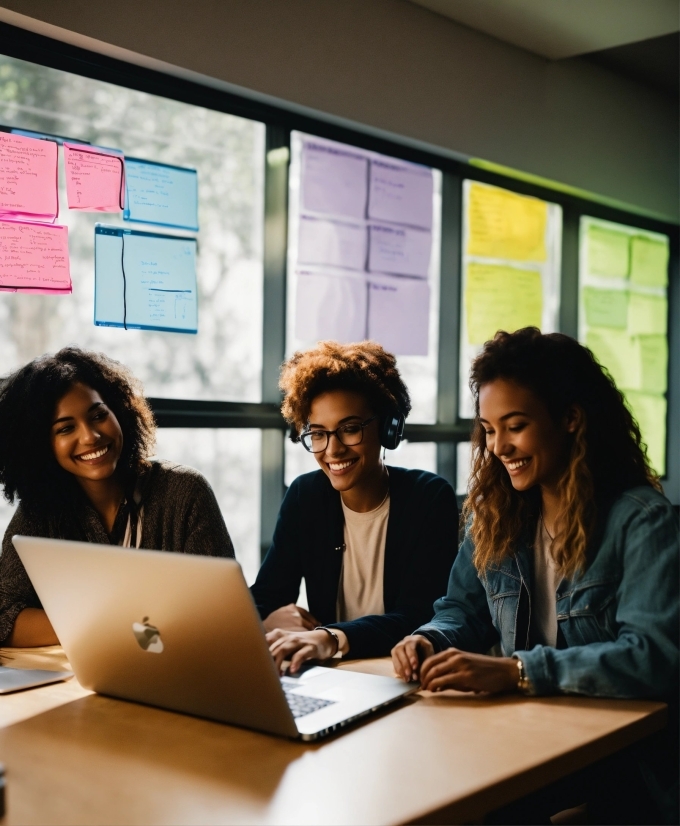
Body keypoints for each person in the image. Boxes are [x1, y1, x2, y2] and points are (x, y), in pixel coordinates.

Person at [391, 327, 679, 824]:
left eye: (516, 425)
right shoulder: (495, 517)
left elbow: (652, 659)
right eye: (488, 428)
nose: (499, 446)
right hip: (522, 738)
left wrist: (517, 671)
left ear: (570, 419)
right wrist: (429, 640)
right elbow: (461, 610)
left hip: (620, 764)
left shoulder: (642, 520)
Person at [0, 347, 235, 647]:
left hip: (182, 676)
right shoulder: (39, 514)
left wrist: (93, 625)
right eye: (66, 428)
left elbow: (223, 615)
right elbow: (5, 615)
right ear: (41, 445)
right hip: (83, 681)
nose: (90, 436)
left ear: (119, 411)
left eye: (98, 415)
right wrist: (116, 627)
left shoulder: (185, 493)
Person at [250, 340, 458, 673]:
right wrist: (262, 619)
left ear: (388, 429)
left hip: (403, 674)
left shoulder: (429, 498)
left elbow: (422, 615)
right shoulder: (306, 496)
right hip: (332, 674)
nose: (332, 450)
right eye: (318, 433)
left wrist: (331, 637)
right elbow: (268, 594)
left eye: (349, 429)